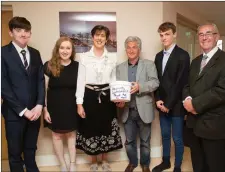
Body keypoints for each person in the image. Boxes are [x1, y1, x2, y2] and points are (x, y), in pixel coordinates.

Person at [75, 25, 123, 172]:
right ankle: (94, 160)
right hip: (89, 96)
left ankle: (105, 160)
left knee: (106, 127)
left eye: (103, 35)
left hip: (107, 96)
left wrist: (118, 96)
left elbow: (114, 79)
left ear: (106, 39)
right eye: (97, 35)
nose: (100, 38)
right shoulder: (83, 57)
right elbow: (80, 80)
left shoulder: (112, 58)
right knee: (91, 127)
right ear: (92, 37)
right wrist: (79, 103)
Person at [1, 16, 45, 172]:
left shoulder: (35, 53)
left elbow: (40, 80)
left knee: (31, 150)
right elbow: (3, 87)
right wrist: (23, 110)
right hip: (14, 113)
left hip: (34, 113)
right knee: (14, 153)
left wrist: (39, 105)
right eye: (18, 30)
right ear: (11, 32)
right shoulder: (2, 53)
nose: (23, 34)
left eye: (26, 31)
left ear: (30, 34)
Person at [183, 23, 225, 172]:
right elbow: (187, 85)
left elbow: (221, 90)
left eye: (208, 33)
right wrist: (187, 100)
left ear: (216, 37)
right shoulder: (195, 62)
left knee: (215, 165)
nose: (204, 37)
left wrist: (195, 104)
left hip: (214, 125)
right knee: (198, 164)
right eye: (201, 34)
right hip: (194, 125)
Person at [116, 36, 159, 172]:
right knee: (129, 142)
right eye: (128, 47)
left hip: (144, 109)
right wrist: (119, 101)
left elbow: (155, 83)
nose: (131, 50)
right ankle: (132, 163)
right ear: (125, 49)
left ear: (139, 49)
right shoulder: (119, 68)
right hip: (127, 110)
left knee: (145, 142)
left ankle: (145, 165)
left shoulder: (149, 64)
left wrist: (140, 86)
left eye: (134, 47)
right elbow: (117, 88)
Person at [153, 22, 190, 172]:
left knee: (178, 138)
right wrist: (158, 100)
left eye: (167, 34)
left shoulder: (183, 55)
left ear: (174, 34)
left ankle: (177, 166)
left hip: (176, 106)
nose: (164, 38)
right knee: (165, 136)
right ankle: (166, 162)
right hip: (162, 104)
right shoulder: (158, 56)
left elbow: (180, 83)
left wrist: (168, 104)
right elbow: (156, 80)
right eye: (161, 35)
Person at [43, 37, 79, 171]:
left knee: (71, 135)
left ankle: (73, 163)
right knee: (56, 136)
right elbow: (43, 89)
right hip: (54, 108)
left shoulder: (77, 67)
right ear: (57, 49)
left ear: (72, 50)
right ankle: (62, 164)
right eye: (62, 48)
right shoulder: (48, 65)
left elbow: (80, 89)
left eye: (68, 48)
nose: (65, 51)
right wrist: (45, 110)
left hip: (71, 107)